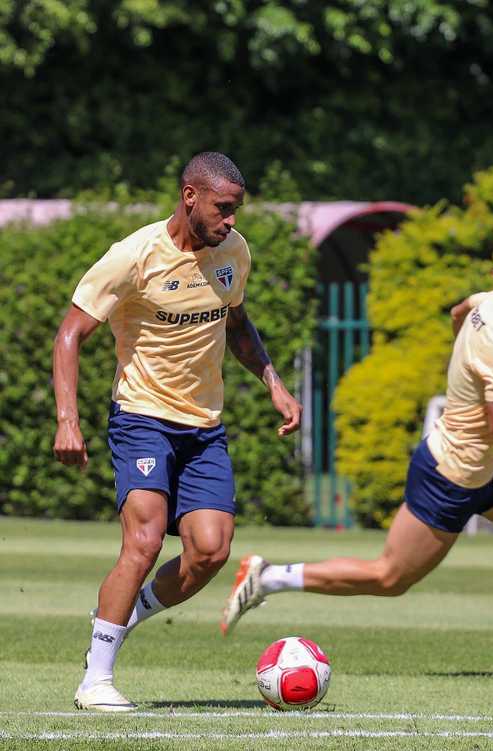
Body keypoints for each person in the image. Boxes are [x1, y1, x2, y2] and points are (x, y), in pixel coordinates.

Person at [222, 223, 493, 666]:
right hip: (450, 475)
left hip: (488, 468)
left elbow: (459, 313)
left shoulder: (486, 302)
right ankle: (269, 578)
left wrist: (465, 368)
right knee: (389, 577)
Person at [53, 152, 302, 712]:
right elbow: (70, 334)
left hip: (204, 426)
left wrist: (273, 382)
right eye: (223, 208)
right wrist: (68, 418)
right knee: (143, 542)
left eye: (237, 210)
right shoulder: (133, 256)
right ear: (191, 196)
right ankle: (95, 679)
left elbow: (236, 324)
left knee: (211, 552)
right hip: (142, 417)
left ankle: (123, 613)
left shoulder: (234, 253)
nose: (231, 221)